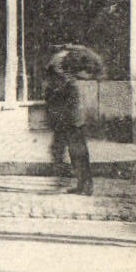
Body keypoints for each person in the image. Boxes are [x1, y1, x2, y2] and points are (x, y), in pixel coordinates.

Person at [45, 56, 93, 195]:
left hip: (74, 126)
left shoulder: (70, 87)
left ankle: (86, 186)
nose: (53, 81)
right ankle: (81, 185)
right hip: (71, 125)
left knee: (80, 156)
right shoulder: (65, 86)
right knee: (76, 156)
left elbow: (70, 109)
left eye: (55, 77)